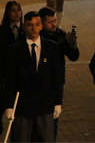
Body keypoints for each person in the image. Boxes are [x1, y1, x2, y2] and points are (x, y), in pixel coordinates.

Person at [4, 11, 62, 142]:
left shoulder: (52, 47)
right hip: (23, 107)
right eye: (30, 25)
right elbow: (10, 80)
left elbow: (56, 77)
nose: (34, 28)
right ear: (24, 26)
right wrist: (9, 106)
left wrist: (58, 102)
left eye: (37, 24)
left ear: (41, 26)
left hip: (45, 106)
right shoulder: (15, 50)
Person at [39, 7, 80, 137]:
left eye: (55, 21)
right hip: (41, 82)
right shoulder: (39, 36)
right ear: (42, 23)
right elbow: (51, 51)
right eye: (50, 22)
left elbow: (73, 57)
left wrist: (72, 45)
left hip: (57, 82)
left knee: (54, 118)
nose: (54, 25)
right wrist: (64, 43)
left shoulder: (60, 34)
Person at [0, 1, 25, 135]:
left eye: (18, 10)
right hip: (6, 69)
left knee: (18, 99)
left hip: (21, 70)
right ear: (8, 13)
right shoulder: (2, 30)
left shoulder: (25, 29)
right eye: (13, 10)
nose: (17, 13)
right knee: (5, 99)